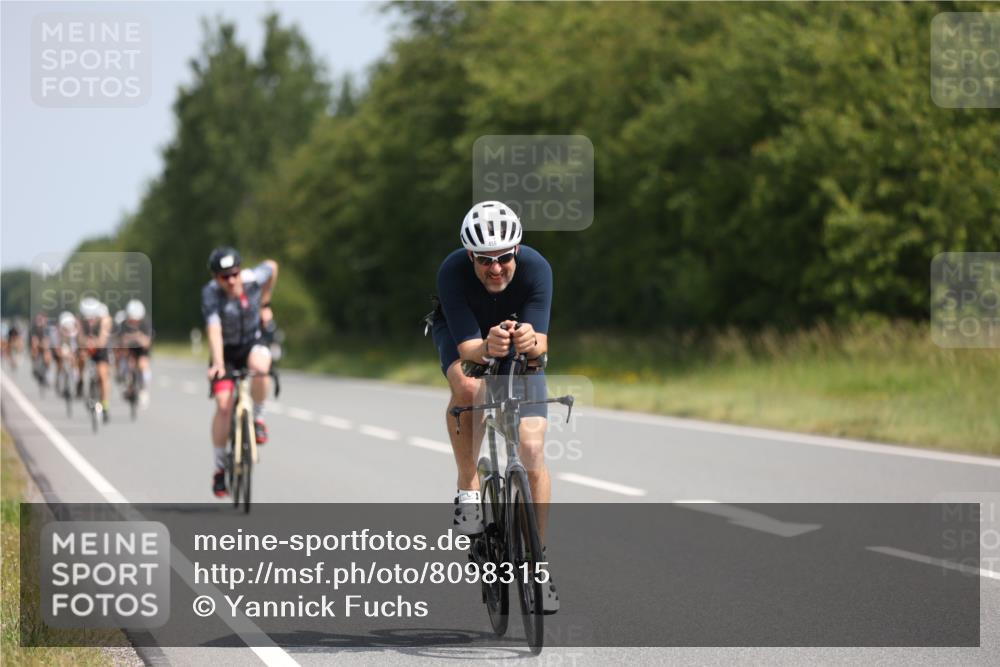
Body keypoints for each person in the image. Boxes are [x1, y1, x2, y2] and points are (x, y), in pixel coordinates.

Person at [429, 200, 558, 612]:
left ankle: (537, 564)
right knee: (469, 387)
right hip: (464, 336)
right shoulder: (452, 271)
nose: (496, 267)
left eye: (504, 257)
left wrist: (529, 341)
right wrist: (488, 347)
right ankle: (468, 487)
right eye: (485, 260)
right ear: (471, 256)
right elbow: (469, 350)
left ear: (517, 251)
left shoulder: (538, 268)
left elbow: (543, 343)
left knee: (533, 449)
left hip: (519, 343)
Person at [202, 246, 279, 498]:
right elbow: (214, 329)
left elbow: (273, 266)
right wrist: (218, 364)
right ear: (215, 278)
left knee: (260, 369)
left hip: (251, 343)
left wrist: (265, 302)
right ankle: (219, 467)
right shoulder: (211, 294)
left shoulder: (252, 279)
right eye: (225, 276)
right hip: (225, 351)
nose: (232, 280)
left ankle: (257, 418)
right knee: (224, 405)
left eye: (234, 273)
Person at [77, 297, 112, 421]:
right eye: (87, 319)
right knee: (80, 358)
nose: (90, 321)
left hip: (100, 348)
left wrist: (94, 343)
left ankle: (105, 406)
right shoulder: (80, 321)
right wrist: (86, 343)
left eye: (92, 318)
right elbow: (80, 338)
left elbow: (102, 340)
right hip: (86, 346)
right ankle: (80, 380)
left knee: (103, 375)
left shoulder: (105, 320)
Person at [119, 299, 153, 407]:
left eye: (136, 321)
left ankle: (143, 389)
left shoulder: (146, 323)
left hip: (142, 350)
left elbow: (147, 343)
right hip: (130, 350)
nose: (134, 323)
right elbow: (121, 342)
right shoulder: (124, 324)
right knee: (127, 365)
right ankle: (128, 385)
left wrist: (137, 337)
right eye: (132, 320)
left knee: (143, 365)